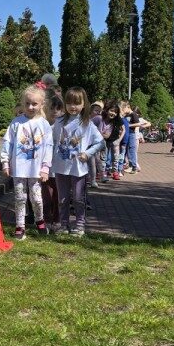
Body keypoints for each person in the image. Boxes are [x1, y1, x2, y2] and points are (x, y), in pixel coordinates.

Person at [0, 86, 53, 238]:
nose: (30, 107)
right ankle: (20, 226)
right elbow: (8, 143)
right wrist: (5, 162)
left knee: (36, 198)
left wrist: (45, 167)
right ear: (23, 103)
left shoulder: (44, 124)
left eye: (34, 104)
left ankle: (40, 221)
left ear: (41, 104)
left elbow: (48, 147)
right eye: (27, 103)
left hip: (36, 170)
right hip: (18, 170)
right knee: (20, 198)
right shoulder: (16, 123)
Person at [52, 87, 104, 237]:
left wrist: (87, 153)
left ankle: (80, 225)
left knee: (78, 197)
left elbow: (100, 142)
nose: (72, 106)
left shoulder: (87, 124)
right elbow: (51, 140)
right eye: (69, 103)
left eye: (77, 103)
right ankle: (64, 224)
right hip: (61, 166)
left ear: (83, 104)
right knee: (62, 198)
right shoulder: (59, 122)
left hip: (78, 168)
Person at [41, 89, 64, 228]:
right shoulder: (43, 125)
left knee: (57, 195)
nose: (55, 111)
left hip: (59, 167)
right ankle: (46, 219)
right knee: (46, 195)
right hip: (45, 168)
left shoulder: (63, 126)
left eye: (58, 108)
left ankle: (57, 219)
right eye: (52, 108)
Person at [102, 100, 124, 179]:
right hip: (105, 140)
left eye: (115, 112)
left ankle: (115, 171)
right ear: (107, 110)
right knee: (104, 157)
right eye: (111, 111)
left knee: (115, 157)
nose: (113, 113)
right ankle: (103, 172)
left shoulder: (118, 119)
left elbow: (123, 129)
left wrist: (119, 140)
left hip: (115, 140)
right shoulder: (102, 118)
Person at [87, 100, 106, 188]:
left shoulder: (98, 118)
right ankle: (95, 178)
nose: (98, 112)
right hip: (88, 143)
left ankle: (94, 180)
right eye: (96, 110)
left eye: (100, 111)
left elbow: (100, 130)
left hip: (94, 143)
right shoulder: (87, 118)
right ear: (91, 111)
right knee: (93, 162)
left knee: (95, 162)